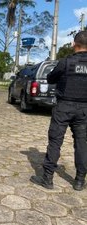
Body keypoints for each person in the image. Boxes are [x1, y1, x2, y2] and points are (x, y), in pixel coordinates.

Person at [30, 30, 87, 191]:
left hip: (64, 107)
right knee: (82, 143)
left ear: (74, 44)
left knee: (55, 141)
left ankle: (47, 179)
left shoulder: (66, 62)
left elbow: (50, 79)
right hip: (84, 110)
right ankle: (80, 181)